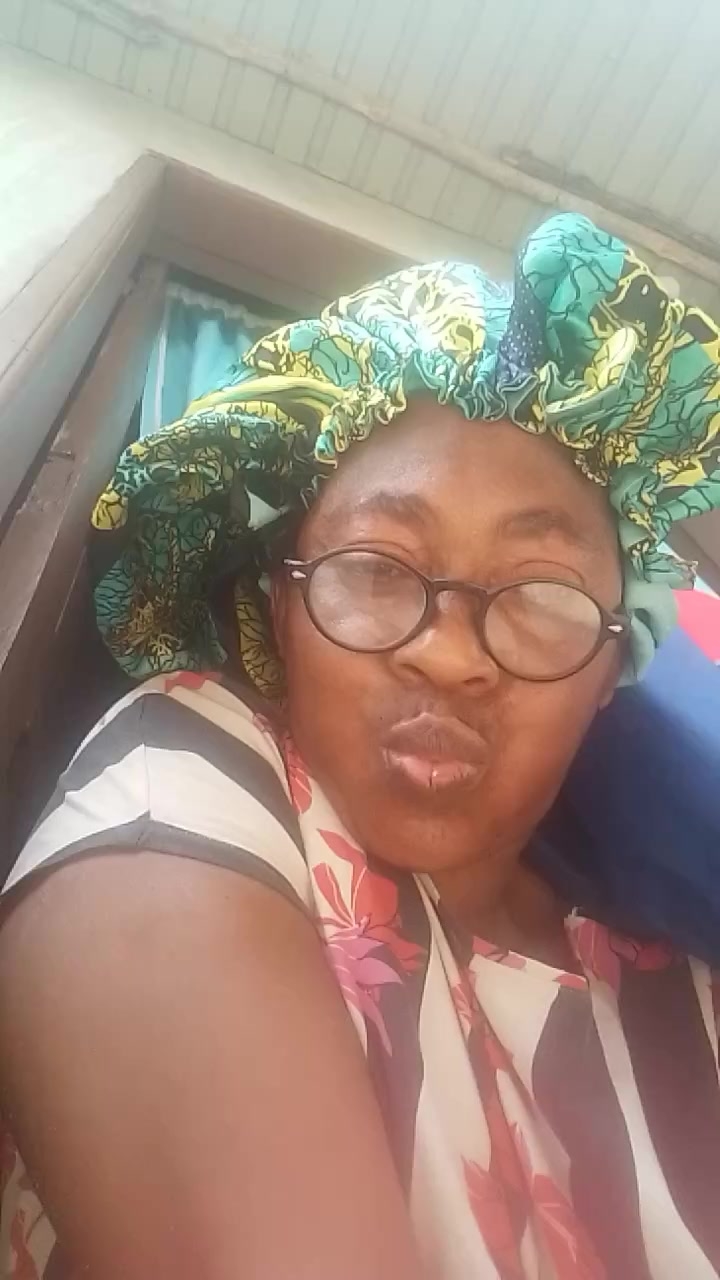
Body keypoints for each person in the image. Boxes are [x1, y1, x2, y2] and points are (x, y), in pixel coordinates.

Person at [1, 213, 720, 1280]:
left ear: (617, 659)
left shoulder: (691, 973)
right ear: (277, 609)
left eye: (540, 594)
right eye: (379, 568)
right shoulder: (189, 780)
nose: (449, 654)